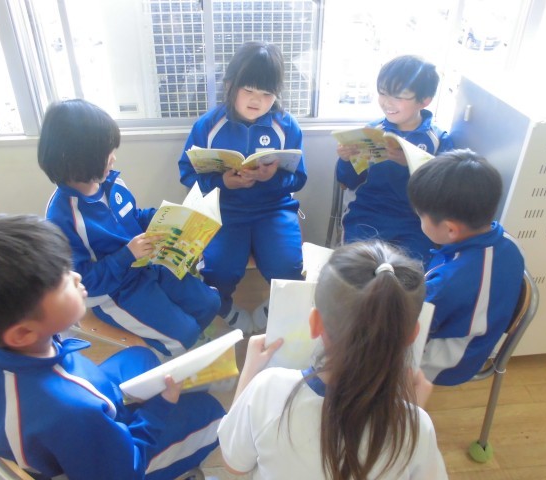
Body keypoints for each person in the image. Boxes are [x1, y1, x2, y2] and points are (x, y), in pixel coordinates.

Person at [0, 214, 225, 480]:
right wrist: (157, 410)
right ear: (23, 332)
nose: (76, 276)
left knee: (141, 357)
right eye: (62, 281)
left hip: (76, 414)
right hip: (110, 454)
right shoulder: (74, 411)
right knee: (210, 411)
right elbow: (124, 472)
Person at [217, 241, 448, 479]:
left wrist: (249, 372)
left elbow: (234, 464)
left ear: (315, 323)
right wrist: (407, 416)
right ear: (412, 335)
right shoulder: (418, 429)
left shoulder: (268, 390)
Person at [39, 99, 220, 357]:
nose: (113, 158)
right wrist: (127, 255)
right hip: (113, 291)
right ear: (76, 158)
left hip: (148, 265)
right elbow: (83, 280)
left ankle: (190, 343)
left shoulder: (111, 182)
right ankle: (174, 357)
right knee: (184, 333)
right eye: (106, 153)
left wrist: (167, 218)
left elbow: (132, 216)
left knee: (210, 302)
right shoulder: (63, 216)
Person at [178, 41, 307, 334]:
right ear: (230, 85)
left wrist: (271, 178)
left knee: (288, 269)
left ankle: (269, 311)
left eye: (267, 94)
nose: (257, 101)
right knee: (218, 271)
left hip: (273, 209)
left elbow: (299, 178)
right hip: (224, 210)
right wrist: (222, 182)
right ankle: (225, 308)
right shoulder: (208, 125)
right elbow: (187, 173)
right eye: (248, 90)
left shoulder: (286, 126)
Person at [407, 149, 524, 391]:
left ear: (451, 230)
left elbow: (410, 329)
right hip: (476, 340)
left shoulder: (449, 282)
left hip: (451, 362)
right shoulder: (508, 242)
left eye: (420, 217)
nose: (419, 221)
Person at [335, 55, 454, 266]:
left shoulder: (438, 140)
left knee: (409, 274)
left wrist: (411, 165)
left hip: (416, 222)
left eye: (398, 96)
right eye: (382, 93)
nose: (387, 102)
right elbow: (347, 182)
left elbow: (445, 196)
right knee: (358, 269)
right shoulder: (372, 132)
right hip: (367, 214)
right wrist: (346, 160)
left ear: (424, 100)